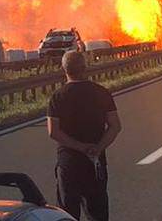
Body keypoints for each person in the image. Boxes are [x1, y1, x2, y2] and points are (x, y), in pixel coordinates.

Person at [47, 50, 121, 221]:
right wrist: (97, 148)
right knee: (97, 212)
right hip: (94, 163)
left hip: (69, 164)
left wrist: (80, 147)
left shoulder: (57, 97)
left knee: (67, 214)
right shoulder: (101, 92)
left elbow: (53, 132)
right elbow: (115, 126)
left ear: (64, 69)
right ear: (85, 67)